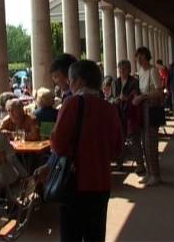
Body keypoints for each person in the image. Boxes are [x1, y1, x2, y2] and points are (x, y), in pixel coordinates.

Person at [35, 60, 123, 242]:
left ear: (80, 81)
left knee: (71, 236)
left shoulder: (72, 104)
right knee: (95, 236)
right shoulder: (109, 108)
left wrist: (52, 134)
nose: (69, 84)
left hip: (75, 183)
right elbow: (117, 150)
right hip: (101, 183)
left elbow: (58, 144)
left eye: (71, 80)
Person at [133, 47, 164, 186]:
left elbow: (159, 92)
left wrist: (143, 97)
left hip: (152, 108)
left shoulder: (153, 71)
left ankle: (156, 175)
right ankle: (149, 173)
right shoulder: (141, 72)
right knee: (145, 142)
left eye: (140, 57)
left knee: (151, 142)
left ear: (146, 57)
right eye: (137, 57)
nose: (138, 60)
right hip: (143, 108)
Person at [113, 60, 144, 174]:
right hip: (119, 113)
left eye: (124, 69)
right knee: (120, 139)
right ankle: (119, 163)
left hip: (131, 114)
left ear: (129, 70)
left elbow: (135, 96)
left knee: (134, 139)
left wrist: (126, 98)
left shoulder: (134, 82)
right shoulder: (116, 82)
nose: (121, 71)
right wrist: (116, 99)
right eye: (120, 69)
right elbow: (114, 96)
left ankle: (140, 164)